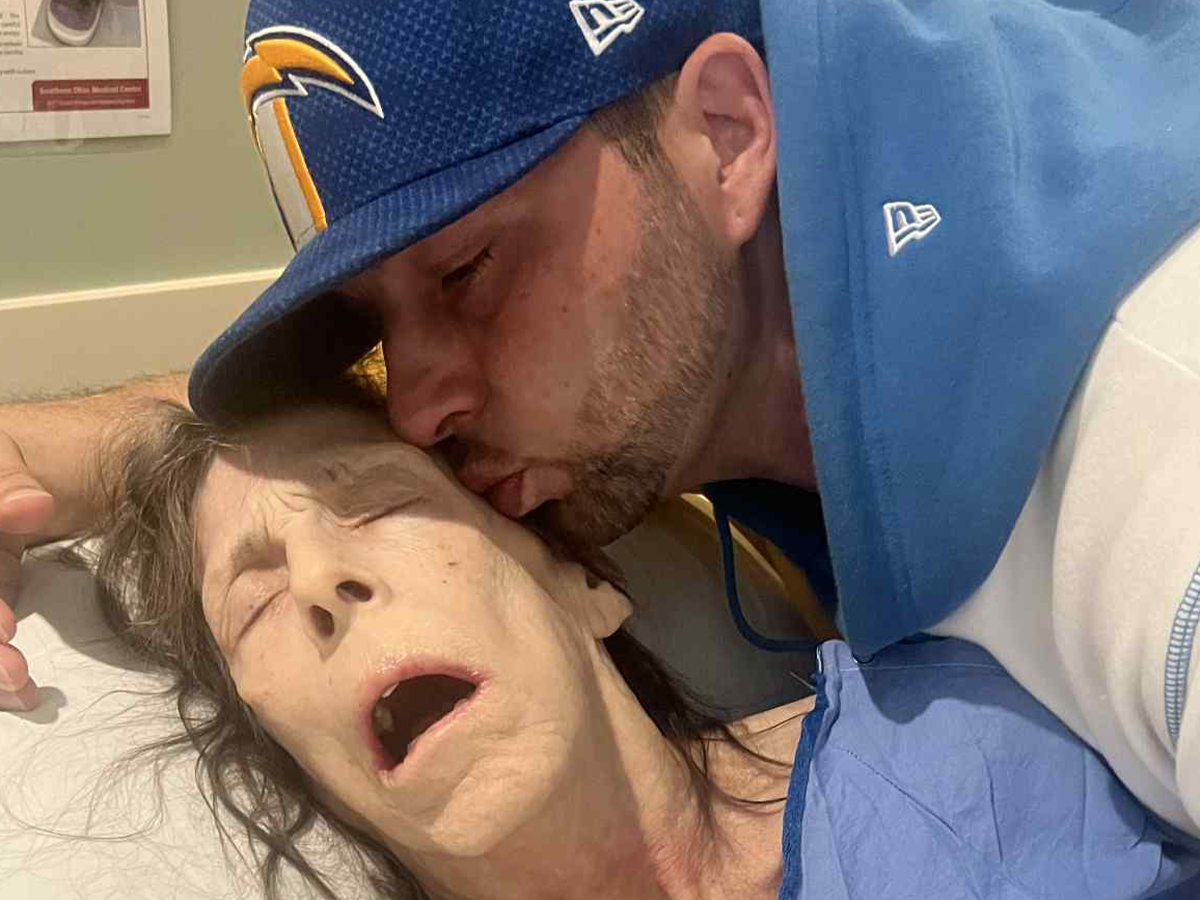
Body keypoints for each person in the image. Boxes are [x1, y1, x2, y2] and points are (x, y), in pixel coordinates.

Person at [3, 0, 1200, 838]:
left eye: (467, 273)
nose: (417, 407)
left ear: (727, 134)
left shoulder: (1143, 459)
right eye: (376, 324)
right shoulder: (815, 227)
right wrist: (43, 452)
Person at [90, 394, 1200, 900]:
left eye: (376, 504)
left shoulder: (973, 729)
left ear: (579, 584)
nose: (319, 582)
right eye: (254, 603)